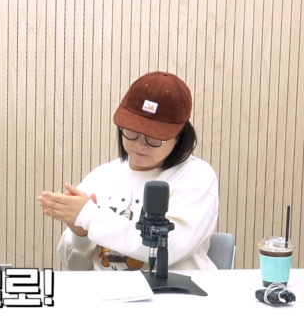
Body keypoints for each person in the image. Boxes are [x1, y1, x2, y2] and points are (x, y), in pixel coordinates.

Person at [37, 71, 218, 271]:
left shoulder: (196, 176)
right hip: (107, 290)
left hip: (174, 290)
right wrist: (80, 234)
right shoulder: (102, 176)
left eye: (154, 137)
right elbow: (75, 266)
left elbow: (168, 249)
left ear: (179, 136)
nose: (141, 144)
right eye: (132, 132)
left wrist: (90, 217)